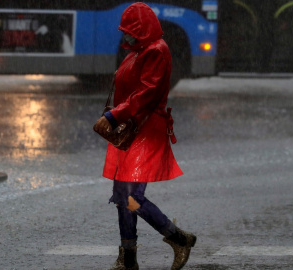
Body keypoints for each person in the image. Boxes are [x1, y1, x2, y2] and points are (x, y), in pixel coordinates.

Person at [93, 3, 196, 270]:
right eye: (125, 32)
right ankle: (129, 258)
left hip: (145, 132)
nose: (125, 37)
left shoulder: (156, 51)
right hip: (132, 132)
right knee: (122, 195)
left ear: (142, 30)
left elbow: (146, 94)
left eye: (130, 32)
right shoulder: (139, 51)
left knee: (131, 197)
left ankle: (177, 238)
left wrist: (114, 116)